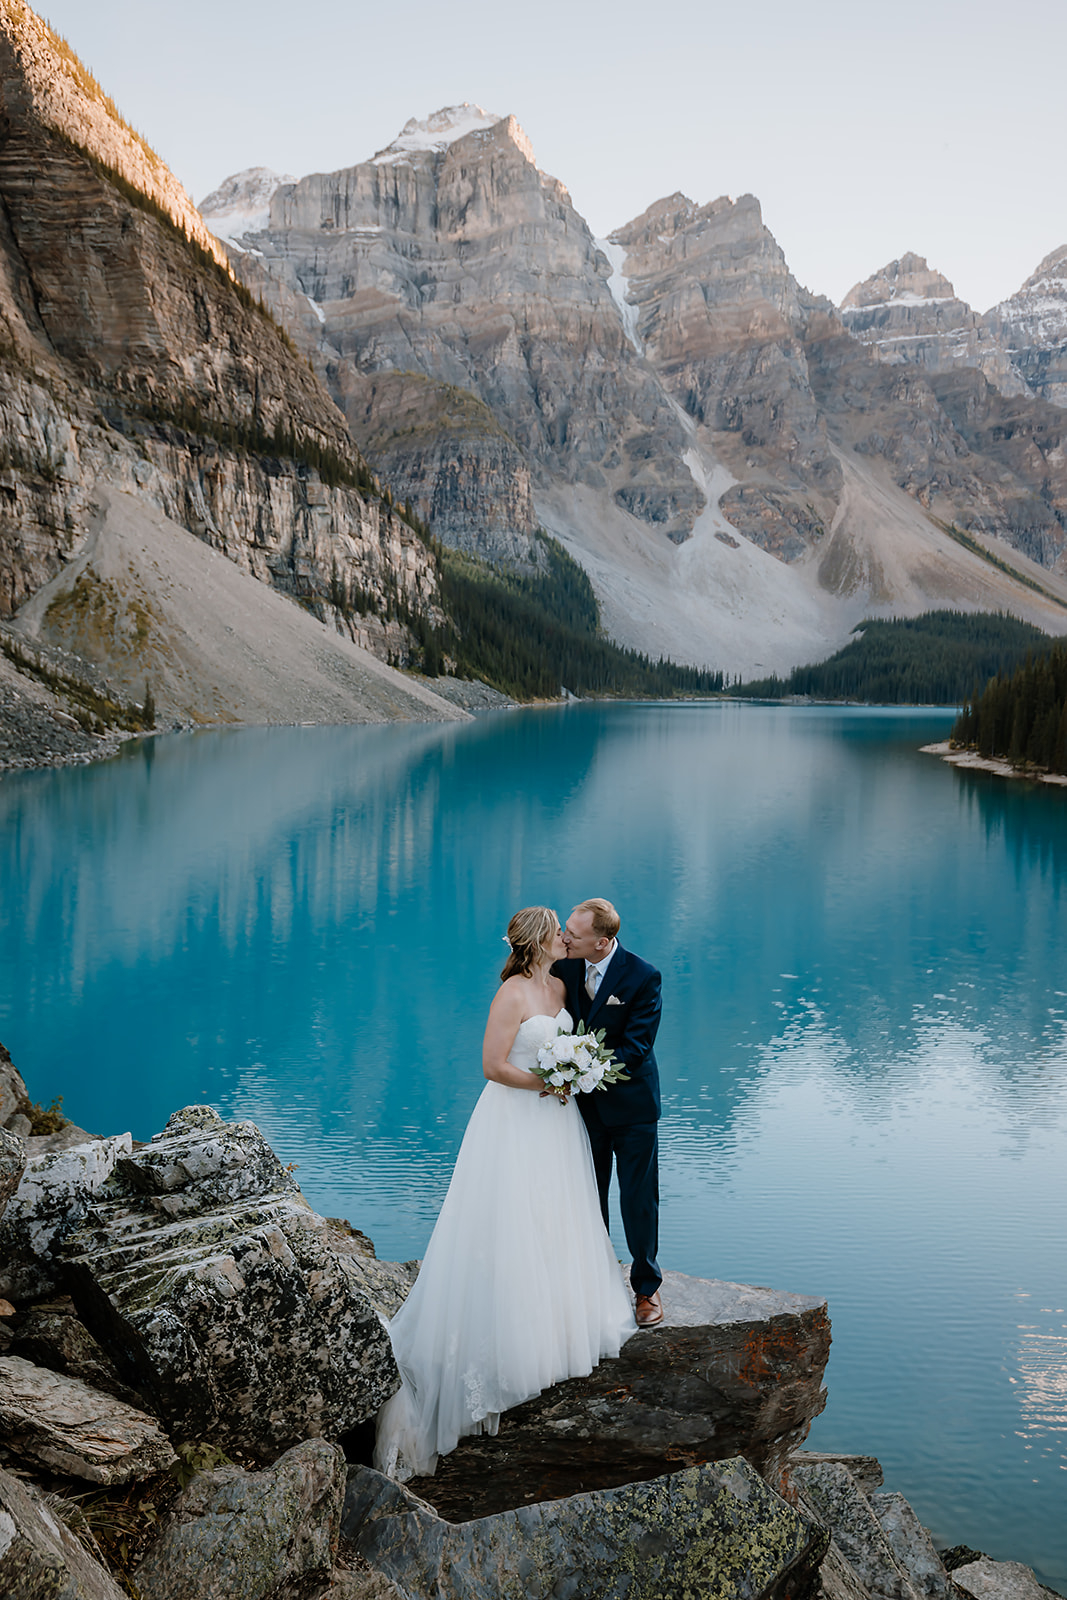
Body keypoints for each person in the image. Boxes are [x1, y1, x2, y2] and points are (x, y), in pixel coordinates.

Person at [373, 905, 636, 1482]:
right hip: (514, 1120)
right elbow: (492, 1065)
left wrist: (573, 1074)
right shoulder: (513, 993)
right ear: (539, 942)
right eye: (557, 934)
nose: (565, 938)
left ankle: (556, 1322)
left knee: (556, 1217)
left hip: (555, 1124)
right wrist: (547, 1080)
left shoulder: (558, 987)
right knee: (509, 1219)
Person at [553, 898, 664, 1327]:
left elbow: (637, 1048)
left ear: (602, 942)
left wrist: (579, 1065)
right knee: (587, 1197)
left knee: (638, 1200)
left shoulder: (642, 975)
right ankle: (593, 1284)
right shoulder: (563, 965)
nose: (564, 938)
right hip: (583, 1109)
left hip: (633, 1107)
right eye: (564, 930)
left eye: (573, 935)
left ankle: (647, 1289)